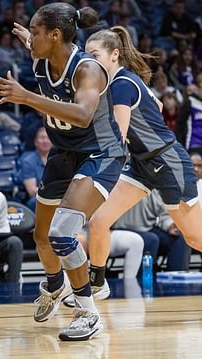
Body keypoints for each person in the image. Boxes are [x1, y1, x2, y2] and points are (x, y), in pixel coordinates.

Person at [0, 3, 126, 341]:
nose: (30, 39)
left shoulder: (88, 69)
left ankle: (87, 313)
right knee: (41, 236)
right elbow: (32, 44)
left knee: (62, 234)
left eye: (36, 32)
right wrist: (26, 36)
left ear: (54, 35)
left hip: (100, 152)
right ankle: (54, 285)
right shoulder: (44, 56)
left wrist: (27, 97)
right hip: (65, 153)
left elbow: (81, 114)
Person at [84, 26, 202, 299]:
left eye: (95, 54)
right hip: (142, 163)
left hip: (168, 162)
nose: (90, 61)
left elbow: (119, 137)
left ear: (114, 54)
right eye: (87, 56)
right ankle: (96, 285)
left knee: (194, 238)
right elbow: (157, 106)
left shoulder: (122, 84)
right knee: (99, 221)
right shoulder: (124, 81)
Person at [19, 126, 52, 211]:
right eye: (42, 138)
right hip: (37, 199)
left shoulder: (58, 159)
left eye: (48, 138)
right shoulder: (28, 161)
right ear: (35, 142)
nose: (45, 141)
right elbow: (32, 191)